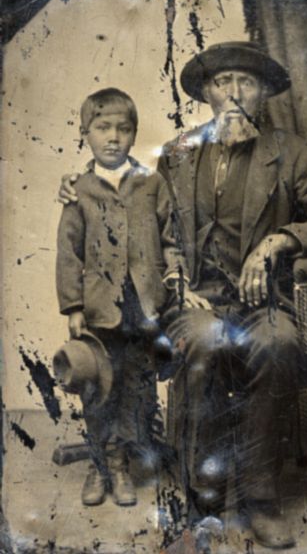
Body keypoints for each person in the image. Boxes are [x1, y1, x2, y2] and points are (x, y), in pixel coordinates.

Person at [58, 43, 307, 548]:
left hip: (267, 302)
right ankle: (202, 488)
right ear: (206, 93)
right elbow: (131, 203)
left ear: (264, 92)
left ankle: (261, 495)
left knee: (279, 343)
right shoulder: (177, 157)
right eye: (223, 83)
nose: (234, 94)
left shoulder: (291, 155)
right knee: (203, 343)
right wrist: (76, 186)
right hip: (196, 302)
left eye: (246, 83)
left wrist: (281, 239)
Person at [56, 87, 182, 507]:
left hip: (143, 307)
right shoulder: (80, 191)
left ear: (134, 135)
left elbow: (171, 238)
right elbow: (68, 253)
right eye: (102, 127)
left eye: (123, 129)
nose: (113, 137)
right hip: (99, 310)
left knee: (136, 389)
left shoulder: (152, 183)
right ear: (85, 133)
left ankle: (121, 465)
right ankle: (99, 463)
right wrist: (73, 306)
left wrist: (175, 273)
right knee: (98, 391)